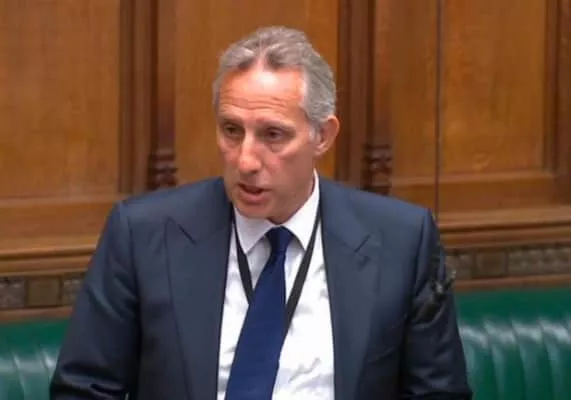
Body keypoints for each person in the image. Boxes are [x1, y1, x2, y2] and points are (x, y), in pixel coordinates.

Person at [50, 26, 472, 400]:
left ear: (322, 135)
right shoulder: (143, 236)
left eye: (273, 134)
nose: (246, 160)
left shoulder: (401, 241)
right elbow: (83, 390)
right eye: (232, 131)